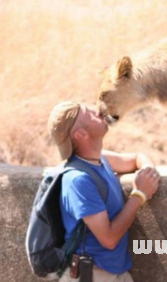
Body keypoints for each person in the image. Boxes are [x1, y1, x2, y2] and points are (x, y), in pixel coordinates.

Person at [48, 101, 161, 282]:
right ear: (81, 134)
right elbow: (108, 239)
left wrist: (147, 169)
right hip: (92, 275)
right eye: (88, 113)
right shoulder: (79, 180)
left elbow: (137, 157)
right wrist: (139, 194)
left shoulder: (100, 159)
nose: (97, 110)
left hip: (115, 272)